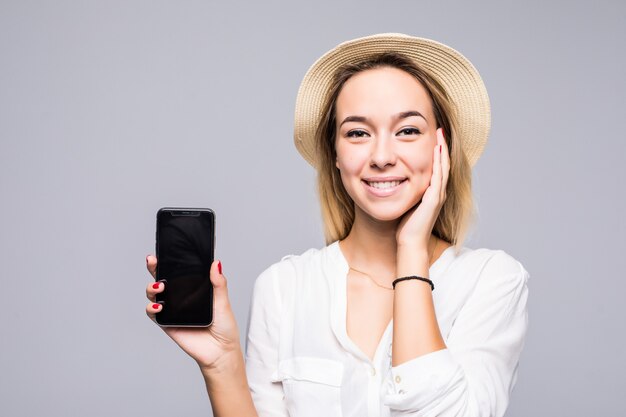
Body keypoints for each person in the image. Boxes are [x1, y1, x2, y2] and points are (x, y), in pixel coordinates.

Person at [145, 33, 529, 417]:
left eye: (408, 130)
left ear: (440, 147)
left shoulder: (492, 281)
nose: (381, 156)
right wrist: (221, 363)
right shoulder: (284, 288)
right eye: (358, 133)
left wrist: (411, 249)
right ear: (335, 154)